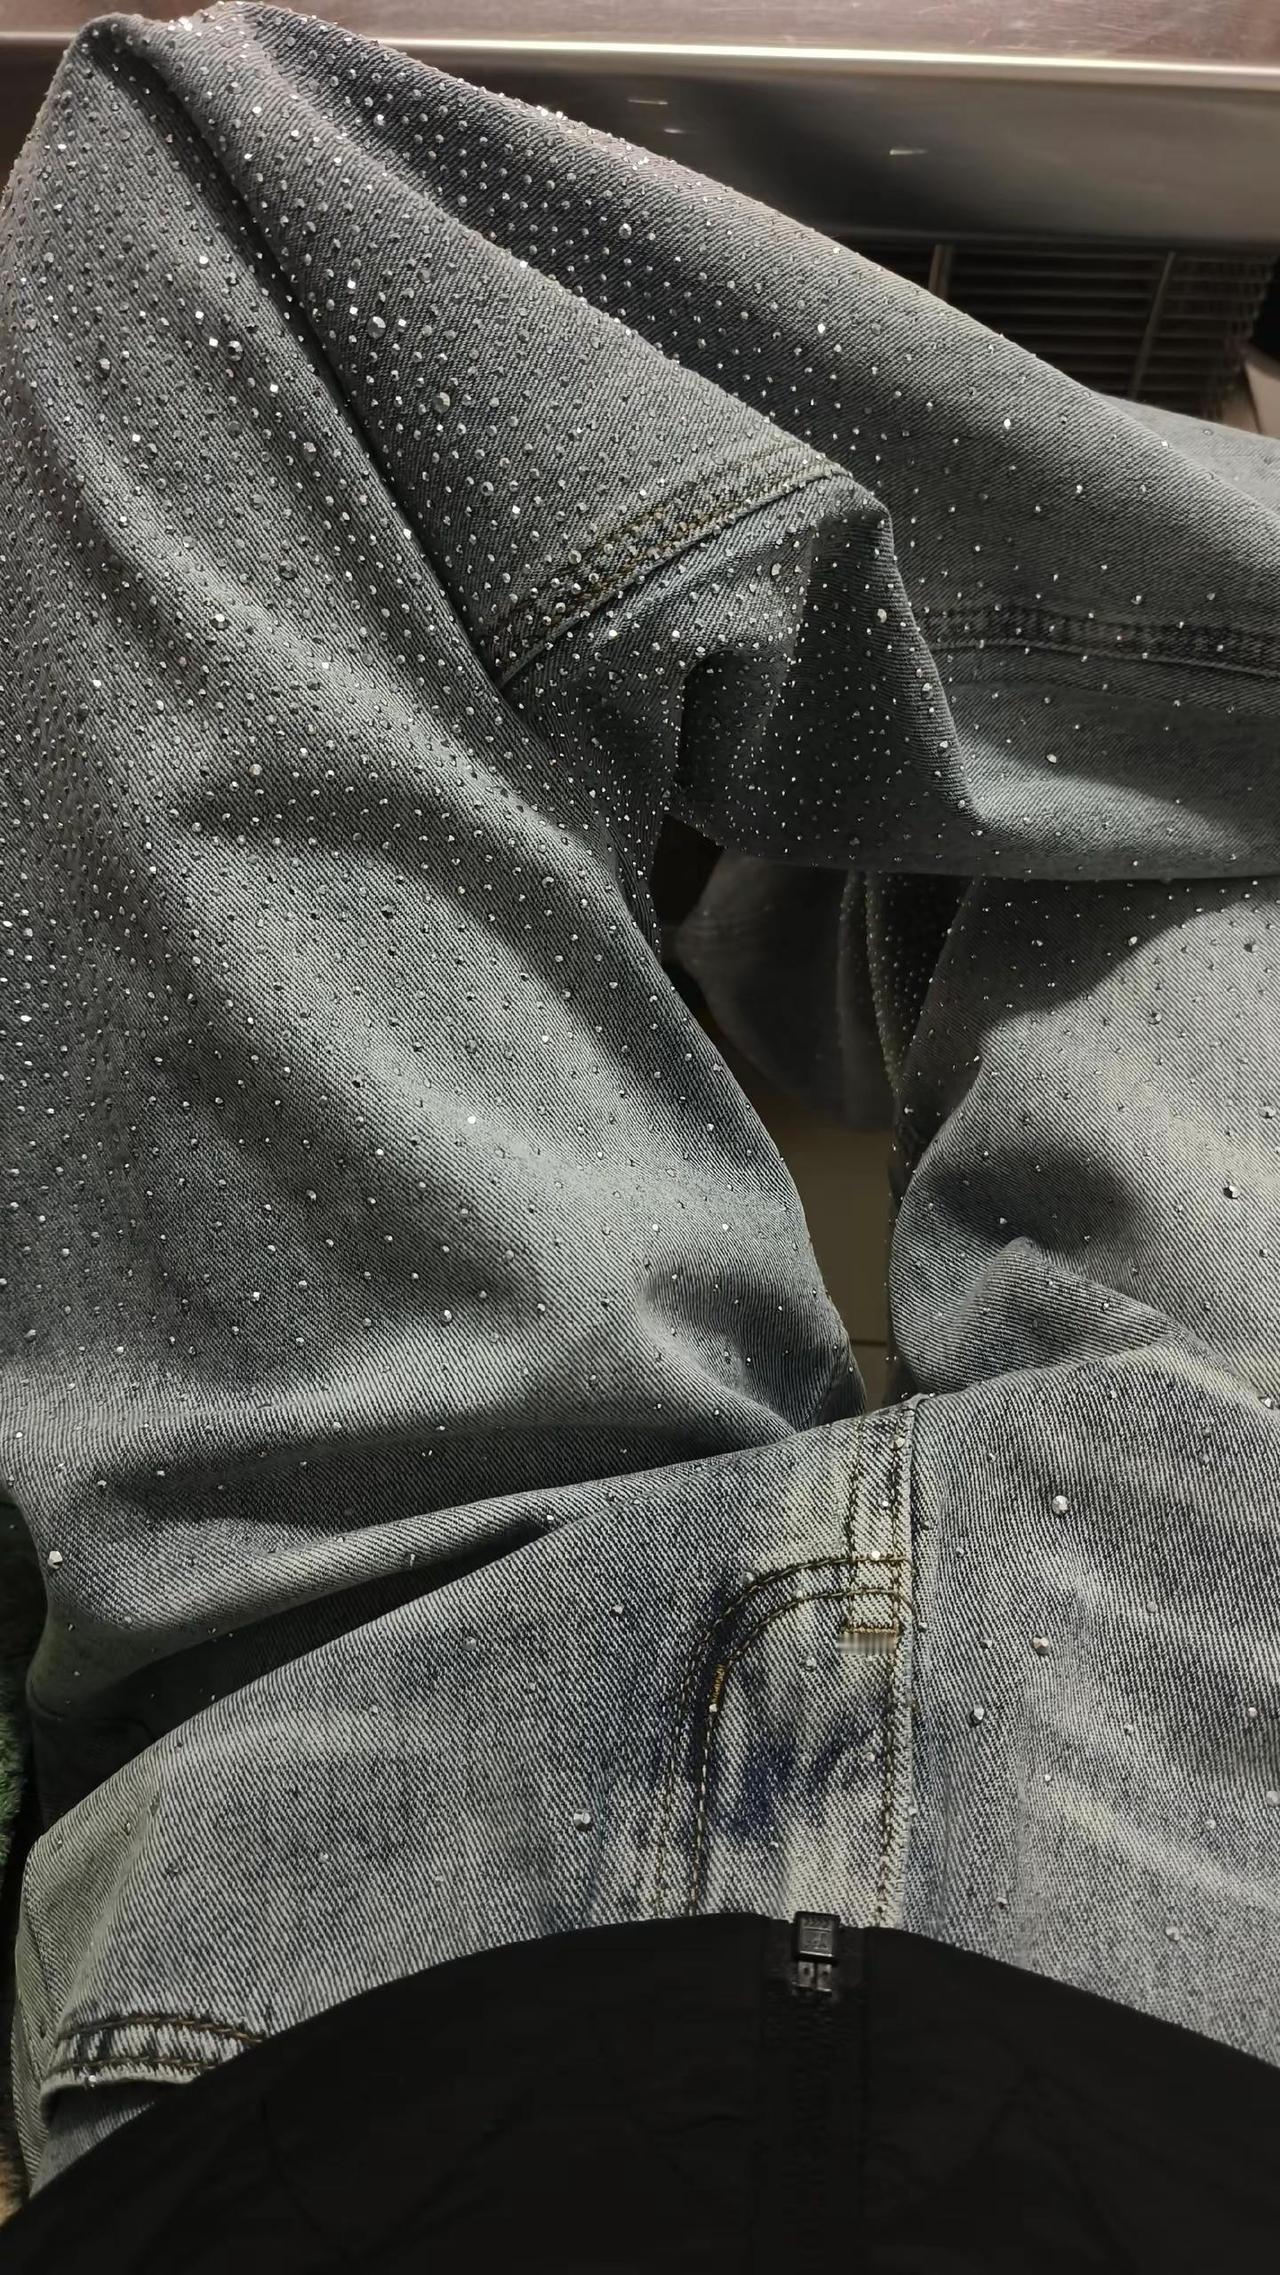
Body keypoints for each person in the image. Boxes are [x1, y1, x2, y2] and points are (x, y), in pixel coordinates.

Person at [0, 4, 1278, 2261]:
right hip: (1224, 1784)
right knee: (1172, 863)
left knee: (195, 190)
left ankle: (864, 843)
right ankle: (861, 860)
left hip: (353, 1801)